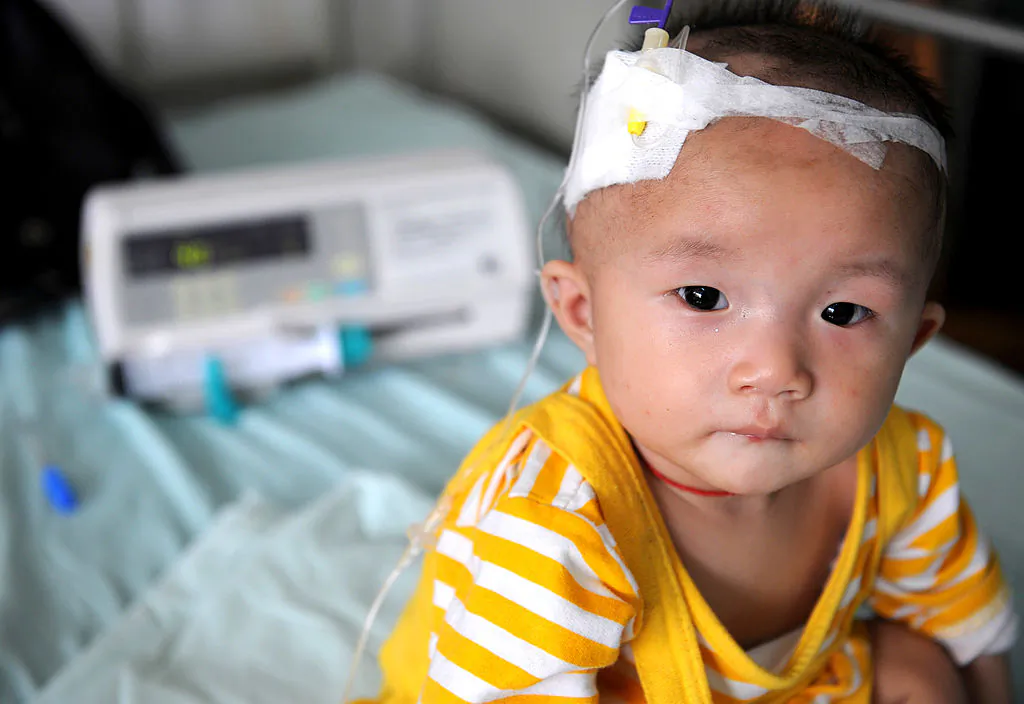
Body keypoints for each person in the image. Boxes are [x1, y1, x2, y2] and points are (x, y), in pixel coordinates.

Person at [359, 2, 1017, 702]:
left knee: (922, 669)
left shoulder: (905, 465)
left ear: (913, 340)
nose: (775, 370)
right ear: (583, 313)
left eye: (843, 312)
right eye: (703, 297)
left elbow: (966, 628)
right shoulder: (556, 523)